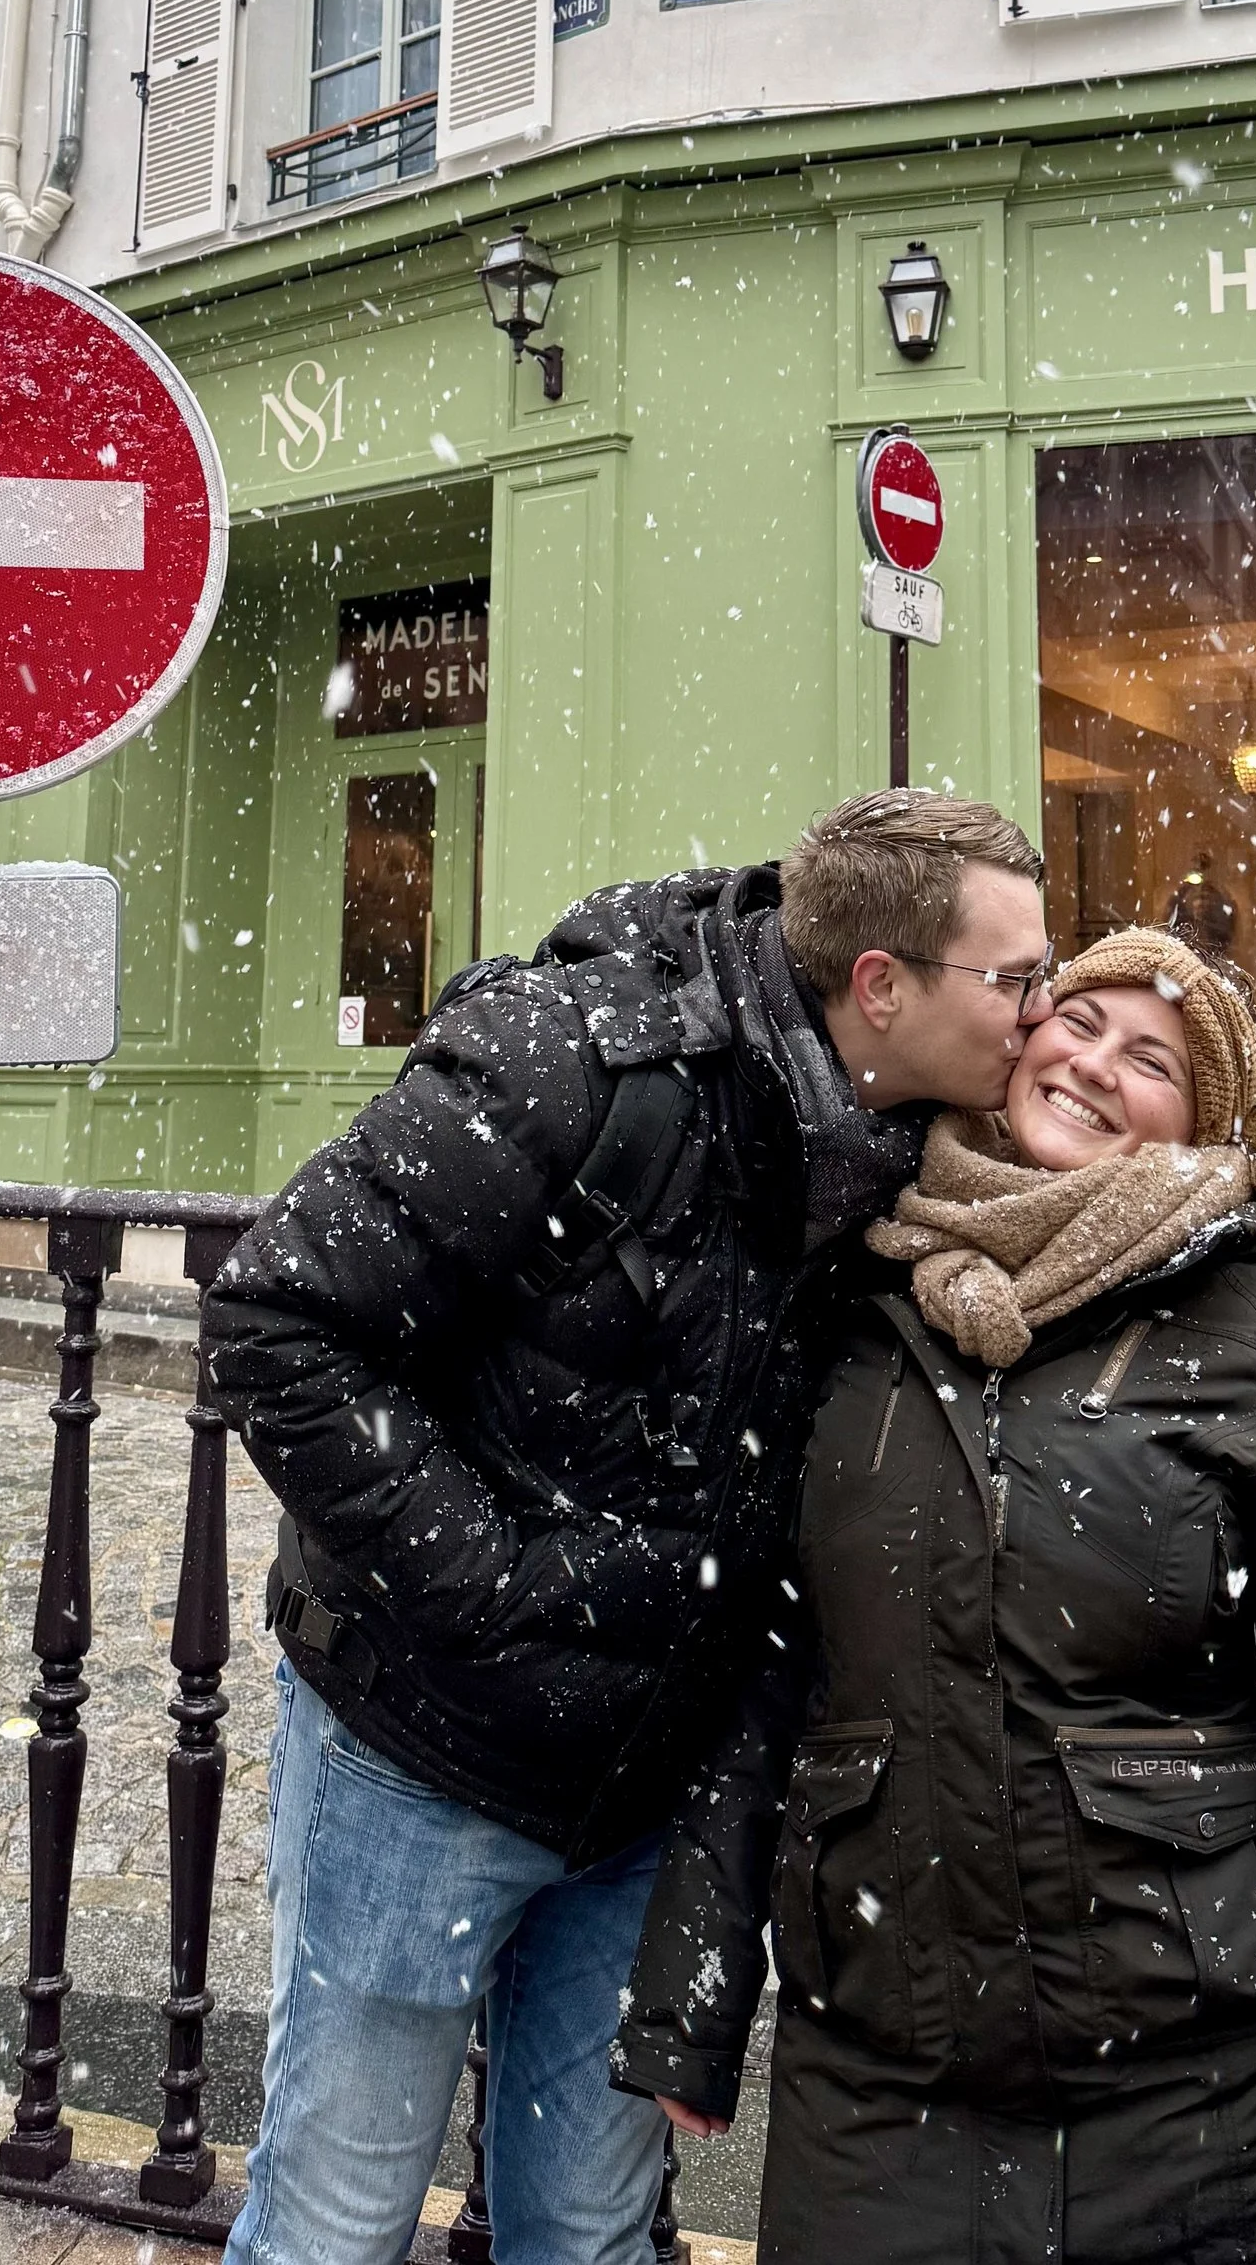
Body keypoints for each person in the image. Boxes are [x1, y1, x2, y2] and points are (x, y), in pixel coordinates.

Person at [205, 789, 1052, 2265]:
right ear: (881, 985)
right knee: (338, 2217)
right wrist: (494, 1586)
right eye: (1017, 978)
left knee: (588, 2234)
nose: (1041, 1014)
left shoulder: (916, 1165)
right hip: (425, 1751)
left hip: (655, 1790)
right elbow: (280, 1322)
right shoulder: (570, 1061)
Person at [614, 925, 1256, 2265]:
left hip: (1210, 2100)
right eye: (1082, 1021)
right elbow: (771, 1680)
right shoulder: (861, 1305)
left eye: (1153, 1059)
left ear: (1204, 1125)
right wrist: (689, 2005)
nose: (1097, 1063)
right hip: (882, 2094)